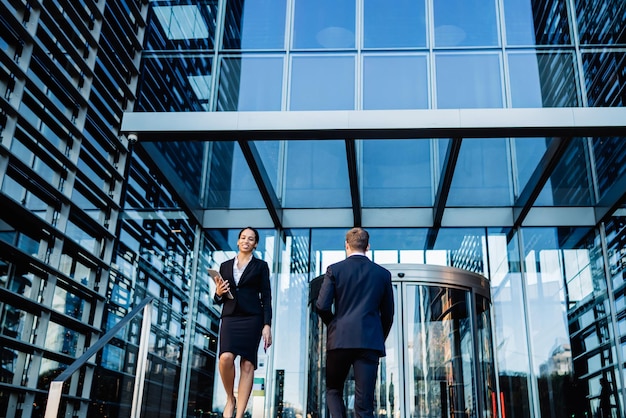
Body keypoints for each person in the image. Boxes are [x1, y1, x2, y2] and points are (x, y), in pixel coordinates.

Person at [315, 227, 394, 418]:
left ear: (346, 245)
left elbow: (321, 306)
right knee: (364, 403)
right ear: (368, 246)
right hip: (369, 342)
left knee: (333, 390)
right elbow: (388, 314)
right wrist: (377, 337)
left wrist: (333, 325)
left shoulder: (334, 270)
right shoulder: (383, 274)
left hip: (339, 340)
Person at [213, 227, 272, 418]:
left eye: (251, 239)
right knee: (225, 358)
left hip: (252, 318)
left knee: (247, 365)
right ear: (238, 241)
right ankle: (230, 398)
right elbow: (218, 298)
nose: (246, 241)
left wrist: (267, 325)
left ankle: (239, 415)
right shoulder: (224, 266)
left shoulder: (261, 266)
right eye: (243, 238)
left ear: (255, 244)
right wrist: (218, 293)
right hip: (230, 317)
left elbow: (267, 297)